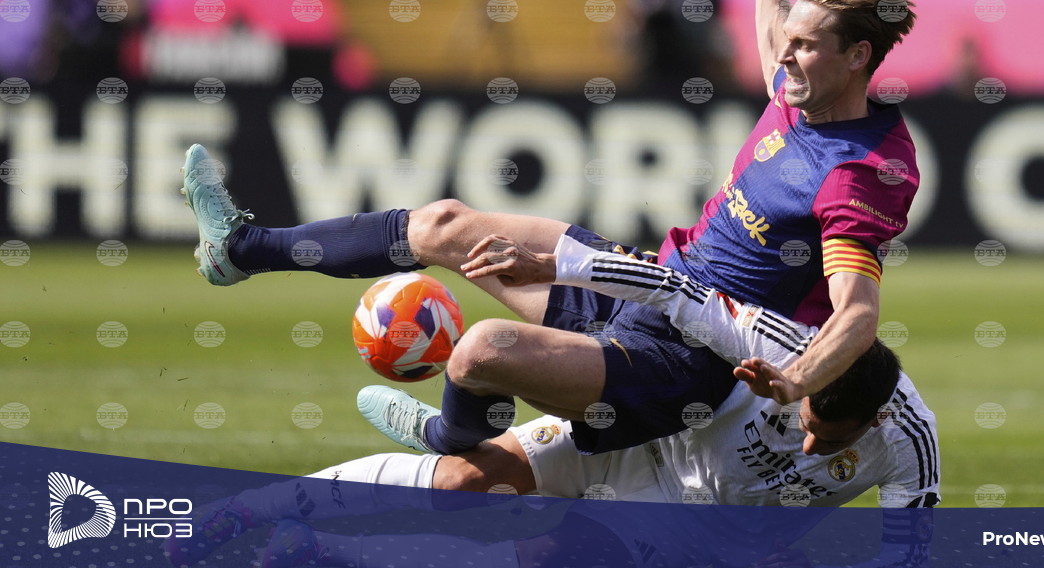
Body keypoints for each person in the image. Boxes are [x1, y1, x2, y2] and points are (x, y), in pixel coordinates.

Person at [181, 0, 918, 458]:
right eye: (789, 40)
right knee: (445, 225)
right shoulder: (805, 88)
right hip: (653, 282)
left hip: (686, 365)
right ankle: (240, 250)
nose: (783, 54)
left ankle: (446, 435)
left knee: (481, 349)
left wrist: (795, 380)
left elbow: (857, 314)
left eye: (804, 46)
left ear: (858, 57)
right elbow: (773, 32)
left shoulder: (859, 172)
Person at [165, 232, 939, 568]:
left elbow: (906, 555)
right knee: (465, 481)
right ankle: (244, 510)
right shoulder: (780, 343)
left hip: (695, 532)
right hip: (645, 439)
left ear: (876, 422)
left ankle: (324, 555)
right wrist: (557, 262)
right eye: (806, 421)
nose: (810, 444)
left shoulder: (910, 442)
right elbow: (674, 288)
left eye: (830, 439)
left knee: (542, 558)